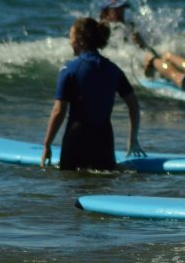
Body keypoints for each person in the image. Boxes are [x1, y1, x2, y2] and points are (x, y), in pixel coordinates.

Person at [42, 17, 144, 170]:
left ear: (80, 40)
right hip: (104, 143)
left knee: (70, 186)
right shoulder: (113, 70)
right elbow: (134, 105)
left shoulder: (69, 69)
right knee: (104, 186)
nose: (70, 42)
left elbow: (58, 111)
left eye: (71, 37)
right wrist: (133, 139)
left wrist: (47, 145)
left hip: (76, 141)